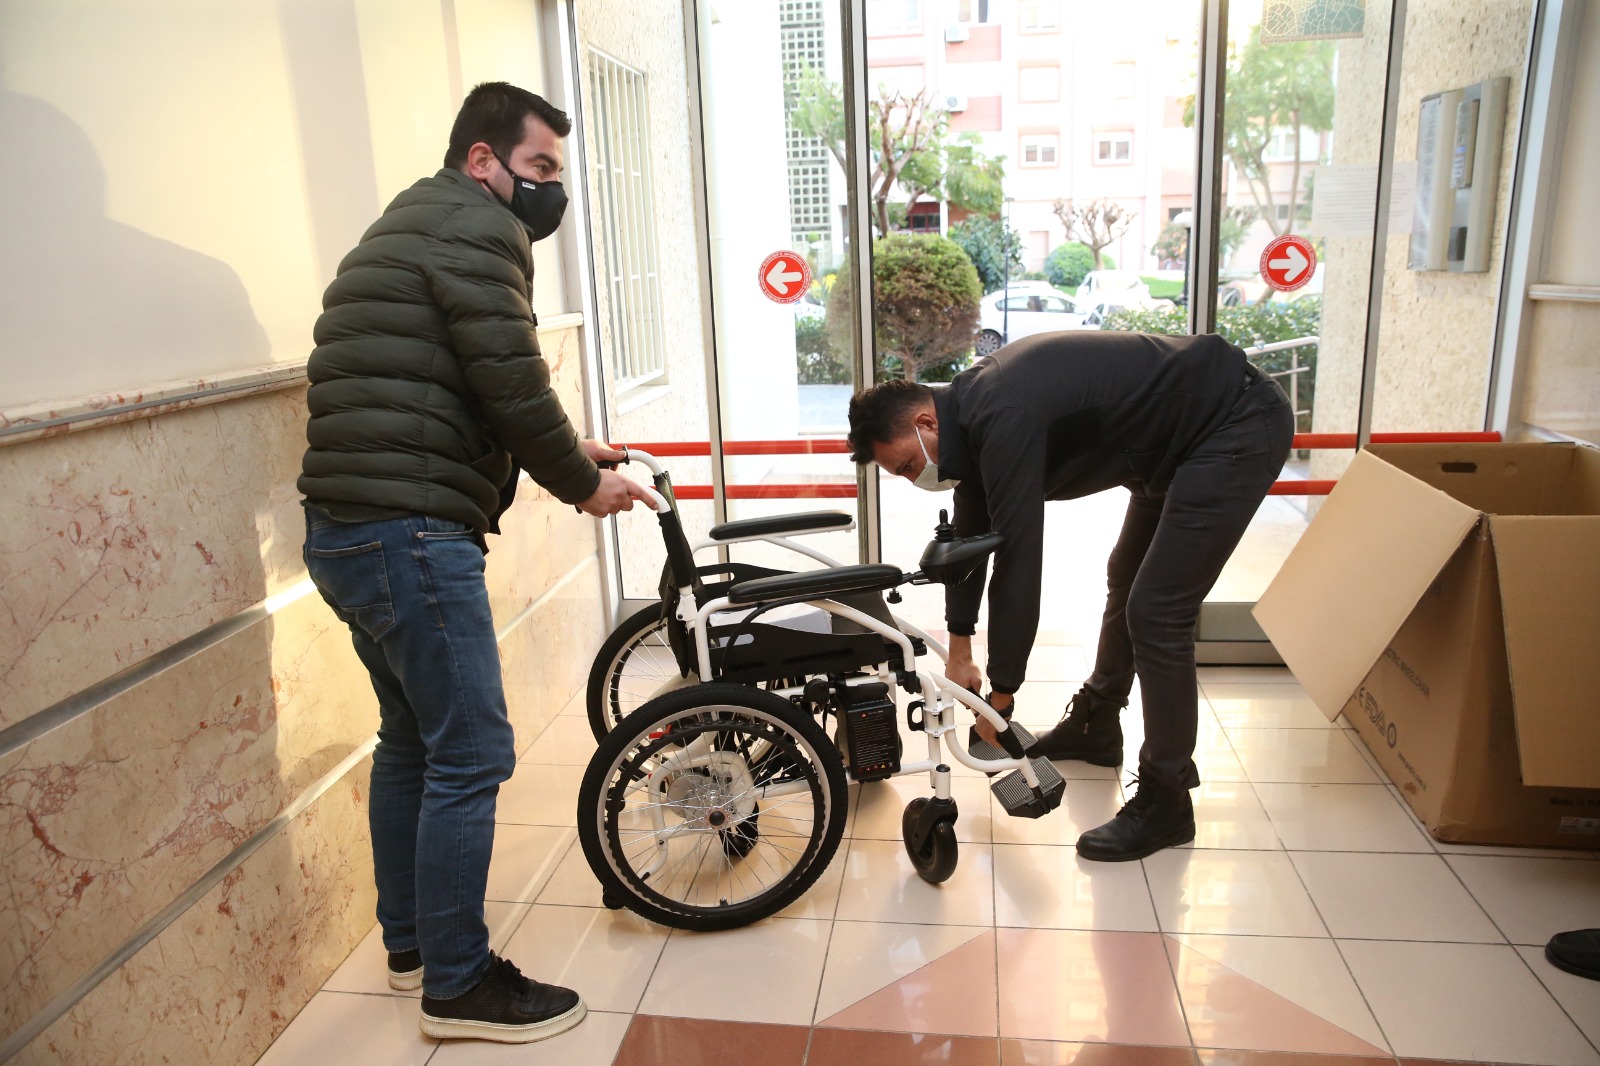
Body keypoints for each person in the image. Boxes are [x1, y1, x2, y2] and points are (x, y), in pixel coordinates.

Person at [298, 81, 649, 1043]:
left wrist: (574, 450)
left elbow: (450, 385)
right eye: (539, 166)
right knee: (472, 754)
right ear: (483, 158)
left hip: (346, 531)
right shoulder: (478, 227)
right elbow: (510, 379)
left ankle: (411, 944)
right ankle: (458, 985)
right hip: (411, 534)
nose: (550, 190)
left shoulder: (404, 224)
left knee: (411, 741)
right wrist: (581, 483)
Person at [847, 330, 1292, 861]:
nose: (912, 478)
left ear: (926, 424)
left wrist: (1001, 699)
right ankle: (1096, 724)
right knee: (1127, 575)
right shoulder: (968, 427)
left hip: (1231, 422)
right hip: (1166, 449)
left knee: (1157, 611)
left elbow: (1018, 561)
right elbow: (970, 542)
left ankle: (1167, 798)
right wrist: (960, 649)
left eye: (907, 466)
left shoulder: (1002, 412)